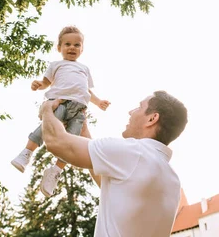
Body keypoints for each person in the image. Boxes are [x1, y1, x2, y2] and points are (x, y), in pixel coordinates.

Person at [40, 90, 188, 237]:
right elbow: (114, 188)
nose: (131, 112)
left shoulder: (133, 152)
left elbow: (55, 141)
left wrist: (47, 109)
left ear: (152, 119)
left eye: (139, 107)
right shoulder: (173, 181)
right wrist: (84, 133)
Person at [10, 26, 110, 197]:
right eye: (67, 44)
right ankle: (27, 152)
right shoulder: (56, 65)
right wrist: (38, 85)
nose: (72, 48)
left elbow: (87, 91)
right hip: (59, 103)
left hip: (79, 110)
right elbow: (45, 82)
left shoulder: (84, 69)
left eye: (77, 45)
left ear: (82, 49)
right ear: (59, 48)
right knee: (46, 129)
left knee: (71, 141)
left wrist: (98, 101)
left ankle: (55, 171)